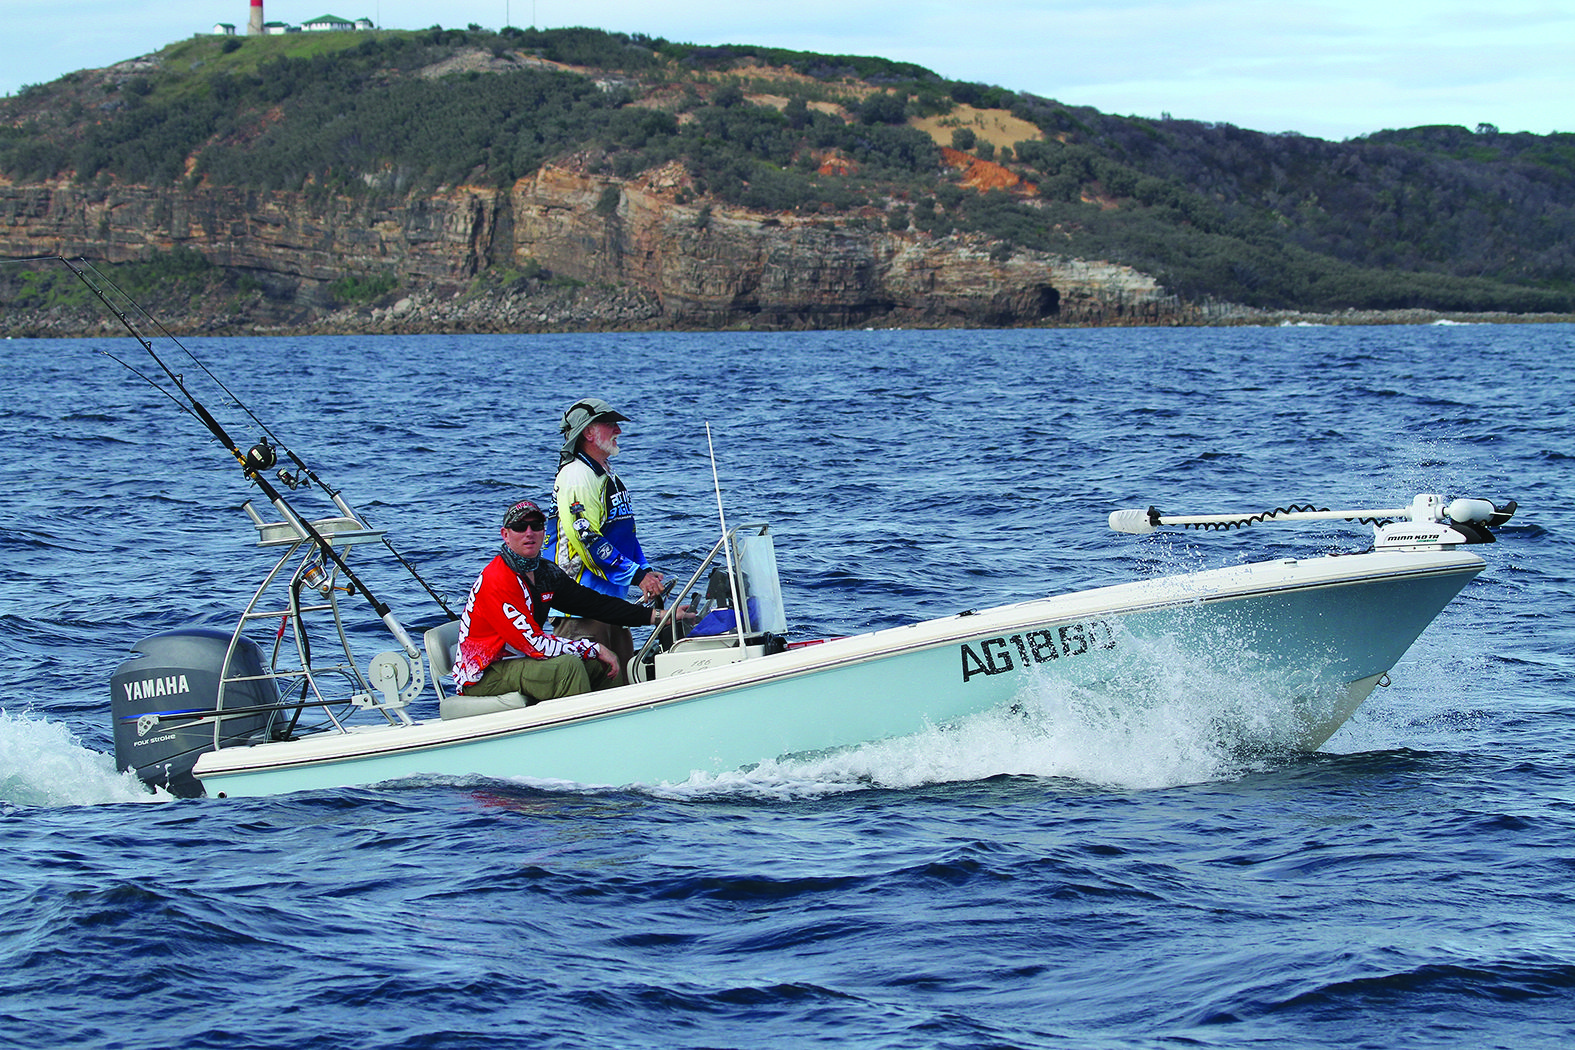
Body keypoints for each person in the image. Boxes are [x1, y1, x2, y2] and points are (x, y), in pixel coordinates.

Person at [452, 499, 666, 705]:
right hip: (482, 674)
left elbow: (593, 604)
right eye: (520, 527)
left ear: (543, 532)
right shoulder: (498, 579)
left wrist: (656, 617)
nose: (529, 533)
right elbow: (534, 644)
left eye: (536, 525)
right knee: (568, 667)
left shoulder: (544, 572)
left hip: (518, 661)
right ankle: (582, 735)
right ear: (505, 535)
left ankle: (616, 728)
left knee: (598, 666)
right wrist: (594, 648)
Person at [550, 397, 664, 685]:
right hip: (580, 610)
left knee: (627, 684)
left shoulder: (607, 475)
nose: (618, 430)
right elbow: (587, 539)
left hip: (610, 605)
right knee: (596, 694)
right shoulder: (577, 475)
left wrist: (645, 569)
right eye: (610, 424)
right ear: (588, 432)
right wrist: (637, 576)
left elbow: (624, 533)